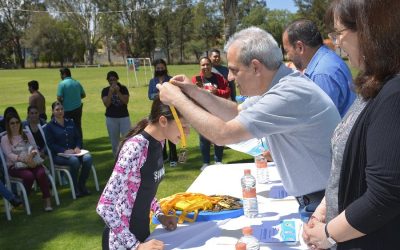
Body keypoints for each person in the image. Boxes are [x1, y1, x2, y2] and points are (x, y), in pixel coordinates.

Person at [157, 27, 341, 213]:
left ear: (255, 67)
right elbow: (236, 112)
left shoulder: (286, 94)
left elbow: (223, 134)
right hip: (320, 197)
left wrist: (177, 100)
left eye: (234, 70)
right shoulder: (281, 85)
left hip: (322, 201)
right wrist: (194, 91)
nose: (229, 77)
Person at [302, 0, 400, 249]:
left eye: (339, 33)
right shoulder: (374, 84)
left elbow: (385, 195)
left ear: (369, 31)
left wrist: (328, 234)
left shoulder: (394, 94)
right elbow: (346, 163)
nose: (336, 43)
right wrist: (324, 209)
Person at [97, 96, 189, 250]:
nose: (188, 133)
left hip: (142, 235)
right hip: (121, 243)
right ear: (163, 121)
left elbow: (143, 186)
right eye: (184, 126)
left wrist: (159, 214)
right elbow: (104, 206)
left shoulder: (159, 142)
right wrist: (136, 246)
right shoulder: (135, 148)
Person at [282, 19, 356, 117]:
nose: (287, 56)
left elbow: (319, 123)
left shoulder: (321, 75)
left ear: (300, 47)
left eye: (287, 51)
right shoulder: (328, 58)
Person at [1, 111, 52, 211]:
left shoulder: (26, 133)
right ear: (8, 125)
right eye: (12, 123)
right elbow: (9, 154)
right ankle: (24, 199)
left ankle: (47, 200)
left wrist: (32, 155)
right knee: (29, 176)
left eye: (17, 122)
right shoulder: (5, 138)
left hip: (31, 161)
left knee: (41, 173)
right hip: (15, 166)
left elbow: (34, 147)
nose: (15, 125)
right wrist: (24, 159)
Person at [45, 101, 92, 198]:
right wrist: (63, 150)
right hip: (58, 156)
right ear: (53, 111)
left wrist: (78, 146)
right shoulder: (49, 126)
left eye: (62, 109)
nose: (60, 111)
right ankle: (75, 189)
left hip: (74, 153)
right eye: (57, 110)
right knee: (74, 161)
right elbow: (50, 144)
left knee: (88, 158)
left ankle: (81, 185)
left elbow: (78, 137)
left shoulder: (70, 122)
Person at [192, 56, 230, 170]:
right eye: (203, 65)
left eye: (207, 64)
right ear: (200, 66)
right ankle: (206, 162)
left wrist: (216, 91)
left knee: (219, 135)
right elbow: (191, 95)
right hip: (203, 112)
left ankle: (218, 160)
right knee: (204, 138)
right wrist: (196, 90)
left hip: (217, 112)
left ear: (211, 66)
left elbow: (227, 92)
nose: (205, 67)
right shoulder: (196, 79)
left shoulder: (219, 78)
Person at [148, 59, 178, 167]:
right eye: (158, 68)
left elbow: (175, 93)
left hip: (170, 110)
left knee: (171, 134)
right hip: (158, 111)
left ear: (165, 68)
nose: (160, 70)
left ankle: (174, 158)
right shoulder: (153, 81)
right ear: (155, 69)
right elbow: (150, 95)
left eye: (162, 68)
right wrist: (160, 93)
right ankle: (163, 156)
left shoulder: (170, 79)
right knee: (161, 134)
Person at [101, 71, 131, 157]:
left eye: (114, 79)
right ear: (108, 81)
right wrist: (110, 92)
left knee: (127, 139)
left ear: (117, 79)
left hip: (124, 117)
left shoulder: (123, 88)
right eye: (110, 80)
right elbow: (107, 104)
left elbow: (125, 101)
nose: (112, 82)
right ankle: (117, 159)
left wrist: (118, 92)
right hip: (111, 118)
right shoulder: (105, 90)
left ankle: (127, 157)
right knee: (114, 142)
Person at [57, 68, 86, 139]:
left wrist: (63, 102)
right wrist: (75, 98)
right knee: (78, 126)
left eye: (61, 74)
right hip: (78, 108)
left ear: (64, 74)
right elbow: (83, 95)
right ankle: (80, 144)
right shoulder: (77, 82)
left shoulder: (62, 84)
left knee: (66, 127)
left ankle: (69, 144)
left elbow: (59, 97)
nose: (60, 76)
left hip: (66, 109)